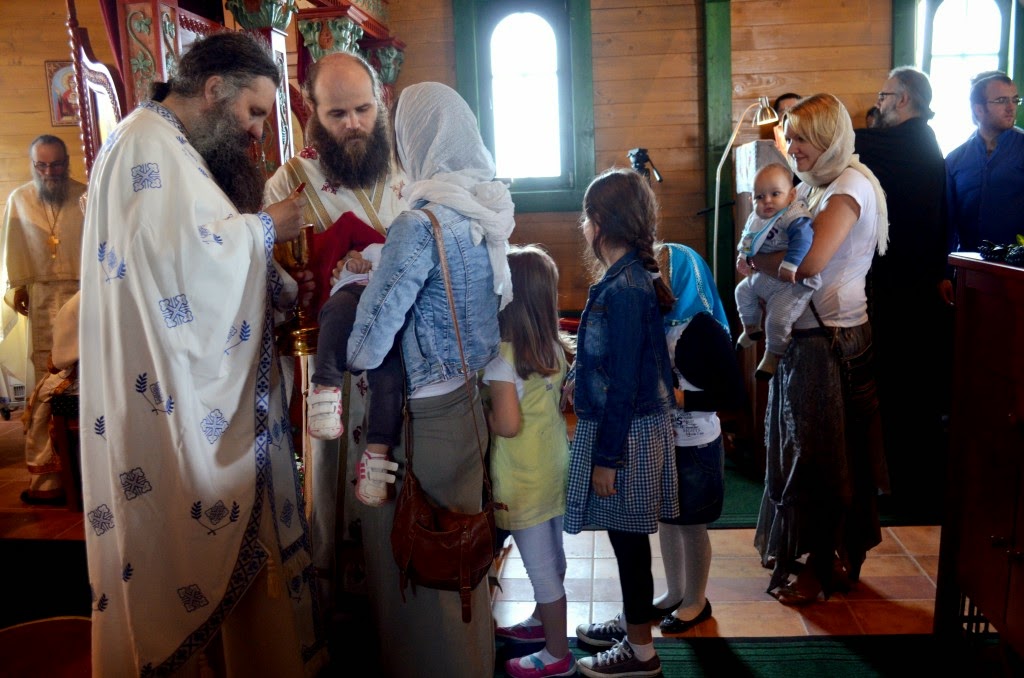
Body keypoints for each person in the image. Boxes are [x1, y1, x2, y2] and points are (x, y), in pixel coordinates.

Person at [79, 31, 327, 676]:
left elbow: (191, 259)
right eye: (253, 111)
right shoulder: (146, 145)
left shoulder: (169, 145)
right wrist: (268, 228)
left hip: (179, 387)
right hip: (167, 401)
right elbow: (179, 268)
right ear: (214, 89)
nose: (257, 132)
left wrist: (278, 284)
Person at [346, 81, 513, 678]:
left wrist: (353, 290)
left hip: (426, 423)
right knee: (462, 554)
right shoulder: (484, 209)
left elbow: (367, 344)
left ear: (413, 142)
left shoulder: (421, 224)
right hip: (470, 407)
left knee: (424, 567)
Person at [263, 50, 407, 608]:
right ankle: (335, 606)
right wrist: (297, 284)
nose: (353, 125)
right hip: (329, 369)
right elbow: (270, 284)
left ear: (381, 102)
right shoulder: (290, 183)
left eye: (363, 110)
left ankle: (404, 594)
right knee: (331, 483)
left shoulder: (407, 166)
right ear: (311, 111)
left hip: (407, 360)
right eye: (338, 114)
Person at [749, 93, 890, 606]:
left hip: (831, 339)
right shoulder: (814, 183)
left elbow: (808, 264)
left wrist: (755, 260)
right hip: (807, 336)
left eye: (802, 138)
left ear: (829, 137)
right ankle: (812, 555)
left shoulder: (848, 186)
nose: (792, 147)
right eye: (789, 137)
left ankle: (823, 567)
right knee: (802, 450)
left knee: (822, 460)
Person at [565, 168, 677, 678]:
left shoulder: (627, 287)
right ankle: (634, 623)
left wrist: (607, 459)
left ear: (600, 222)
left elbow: (627, 383)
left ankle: (641, 653)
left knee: (629, 543)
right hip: (625, 428)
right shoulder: (624, 277)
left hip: (627, 435)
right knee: (623, 537)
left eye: (585, 216)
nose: (582, 225)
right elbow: (608, 359)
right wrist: (576, 378)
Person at [855, 66, 950, 516]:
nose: (879, 104)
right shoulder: (915, 141)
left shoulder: (908, 141)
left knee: (903, 390)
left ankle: (910, 491)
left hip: (907, 290)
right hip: (911, 284)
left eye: (884, 95)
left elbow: (848, 141)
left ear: (904, 100)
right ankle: (905, 484)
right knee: (904, 389)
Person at [487, 245, 576, 678]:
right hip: (555, 468)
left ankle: (557, 654)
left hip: (523, 480)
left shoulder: (502, 360)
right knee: (553, 556)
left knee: (542, 571)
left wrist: (482, 415)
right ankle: (541, 622)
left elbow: (507, 425)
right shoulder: (554, 349)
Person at [654, 243, 746, 635]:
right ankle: (674, 591)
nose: (655, 285)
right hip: (664, 441)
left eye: (661, 278)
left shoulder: (706, 328)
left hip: (697, 445)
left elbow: (734, 396)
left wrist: (682, 399)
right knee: (666, 520)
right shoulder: (660, 323)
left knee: (692, 525)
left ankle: (696, 600)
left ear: (683, 281)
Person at [1, 135, 85, 386]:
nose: (50, 172)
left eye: (57, 164)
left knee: (83, 354)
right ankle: (47, 409)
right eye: (42, 165)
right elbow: (13, 246)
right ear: (33, 164)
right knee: (45, 358)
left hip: (82, 291)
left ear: (67, 162)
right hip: (40, 295)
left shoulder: (87, 195)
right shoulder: (19, 199)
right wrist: (19, 287)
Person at [734, 163, 818, 380]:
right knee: (741, 292)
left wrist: (790, 264)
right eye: (759, 197)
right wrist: (743, 257)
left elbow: (803, 240)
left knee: (777, 320)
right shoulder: (757, 218)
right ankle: (751, 327)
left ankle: (772, 354)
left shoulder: (793, 215)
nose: (767, 201)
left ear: (791, 195)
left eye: (775, 194)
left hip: (790, 284)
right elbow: (748, 239)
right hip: (765, 276)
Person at [945, 70, 1024, 261]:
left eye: (1015, 100)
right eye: (1001, 100)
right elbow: (948, 222)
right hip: (969, 264)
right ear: (978, 109)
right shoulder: (956, 159)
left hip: (1016, 265)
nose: (1011, 107)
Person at [19, 290, 80, 507]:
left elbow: (61, 360)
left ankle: (49, 486)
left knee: (42, 398)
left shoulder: (79, 301)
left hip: (89, 380)